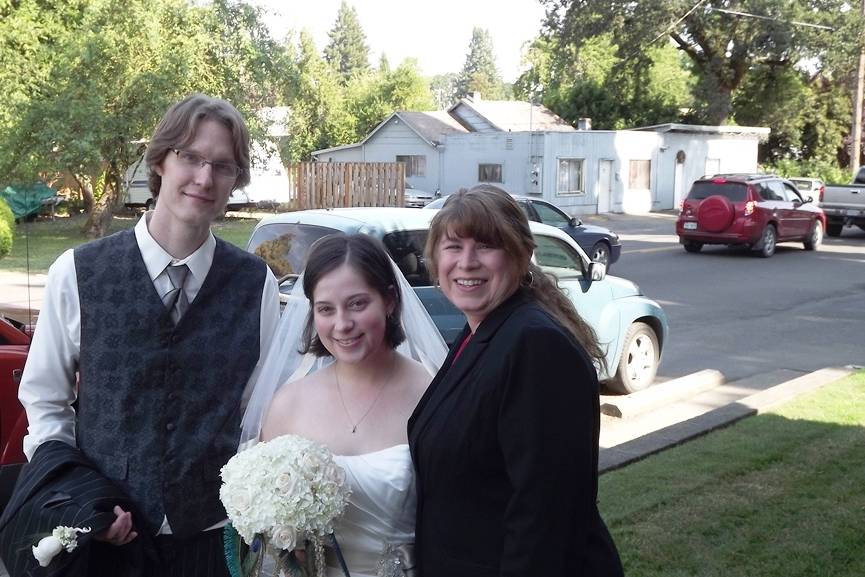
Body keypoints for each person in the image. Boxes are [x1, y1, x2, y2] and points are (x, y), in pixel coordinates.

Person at [17, 93, 280, 575]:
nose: (204, 178)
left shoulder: (255, 282)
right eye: (191, 157)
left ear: (235, 181)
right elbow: (45, 401)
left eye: (222, 166)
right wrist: (80, 497)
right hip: (106, 541)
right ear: (160, 160)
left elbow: (260, 411)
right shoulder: (76, 272)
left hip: (214, 539)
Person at [408, 184, 624, 577]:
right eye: (453, 247)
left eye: (486, 246)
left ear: (521, 255)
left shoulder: (536, 346)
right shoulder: (481, 330)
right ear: (435, 258)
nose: (467, 262)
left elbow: (546, 515)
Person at [243, 233, 447, 577]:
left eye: (357, 304)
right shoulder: (288, 404)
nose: (342, 324)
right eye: (326, 309)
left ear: (390, 301)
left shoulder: (431, 393)